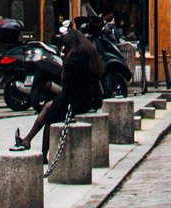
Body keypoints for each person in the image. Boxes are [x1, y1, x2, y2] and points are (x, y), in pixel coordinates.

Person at [15, 19, 105, 157]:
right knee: (48, 107)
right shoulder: (91, 55)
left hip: (74, 100)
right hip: (87, 99)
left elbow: (67, 87)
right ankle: (28, 139)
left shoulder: (72, 60)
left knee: (50, 114)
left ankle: (41, 151)